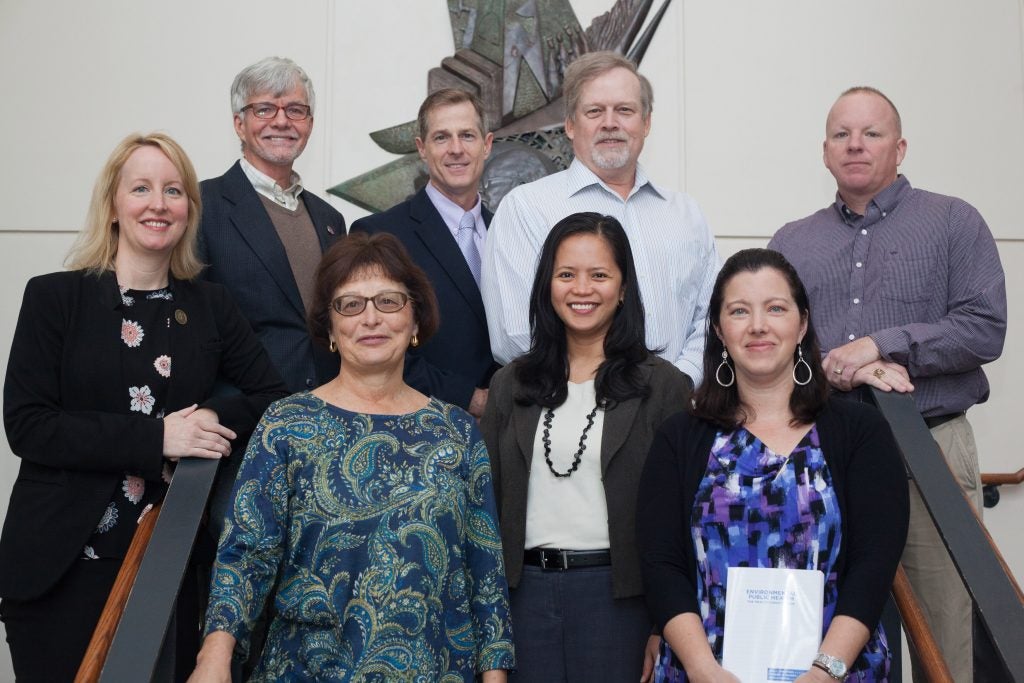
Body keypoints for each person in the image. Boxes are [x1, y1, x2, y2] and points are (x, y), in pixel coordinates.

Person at [0, 133, 288, 682]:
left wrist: (210, 418)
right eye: (141, 188)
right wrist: (156, 439)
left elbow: (272, 399)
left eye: (173, 190)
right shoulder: (54, 298)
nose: (158, 203)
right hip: (60, 566)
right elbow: (28, 425)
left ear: (189, 210)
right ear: (113, 204)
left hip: (166, 563)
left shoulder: (210, 305)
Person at [190, 232, 514, 682]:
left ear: (415, 319)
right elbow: (246, 554)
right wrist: (214, 657)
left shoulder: (455, 431)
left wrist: (495, 675)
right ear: (329, 329)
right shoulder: (288, 423)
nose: (371, 319)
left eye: (389, 301)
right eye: (351, 304)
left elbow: (485, 570)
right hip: (307, 671)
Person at [768, 86, 1006, 683]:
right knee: (824, 619)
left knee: (942, 624)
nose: (855, 145)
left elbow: (984, 329)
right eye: (841, 134)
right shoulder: (791, 242)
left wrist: (881, 344)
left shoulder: (954, 221)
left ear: (899, 147)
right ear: (824, 151)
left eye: (871, 134)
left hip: (929, 451)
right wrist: (842, 365)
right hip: (826, 456)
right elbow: (770, 346)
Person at [638, 249, 909, 683]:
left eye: (776, 309)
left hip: (835, 672)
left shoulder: (860, 432)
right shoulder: (679, 438)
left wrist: (825, 671)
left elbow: (873, 564)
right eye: (739, 311)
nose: (758, 325)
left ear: (801, 324)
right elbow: (661, 564)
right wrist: (702, 669)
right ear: (718, 330)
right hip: (706, 673)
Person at [481, 213, 691, 682]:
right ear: (547, 286)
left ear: (622, 288)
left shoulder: (662, 385)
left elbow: (680, 517)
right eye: (566, 274)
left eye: (599, 275)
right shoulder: (509, 385)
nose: (582, 289)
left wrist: (663, 625)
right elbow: (483, 515)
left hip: (620, 604)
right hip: (523, 600)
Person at [481, 51, 719, 385]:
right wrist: (597, 394)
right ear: (569, 124)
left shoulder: (686, 214)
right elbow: (516, 333)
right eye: (595, 111)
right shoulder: (526, 208)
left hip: (676, 413)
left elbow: (713, 317)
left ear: (646, 123)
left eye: (625, 110)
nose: (610, 122)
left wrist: (676, 385)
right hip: (567, 412)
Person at [199, 56, 345, 394]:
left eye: (295, 110)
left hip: (327, 408)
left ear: (309, 123)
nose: (282, 121)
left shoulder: (330, 220)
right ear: (239, 123)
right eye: (265, 109)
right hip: (242, 415)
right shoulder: (204, 207)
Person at [350, 88, 498, 416]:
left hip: (509, 432)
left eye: (467, 136)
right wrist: (469, 398)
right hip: (420, 427)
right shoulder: (379, 235)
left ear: (486, 145)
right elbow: (374, 347)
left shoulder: (509, 232)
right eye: (442, 137)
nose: (456, 149)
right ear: (422, 149)